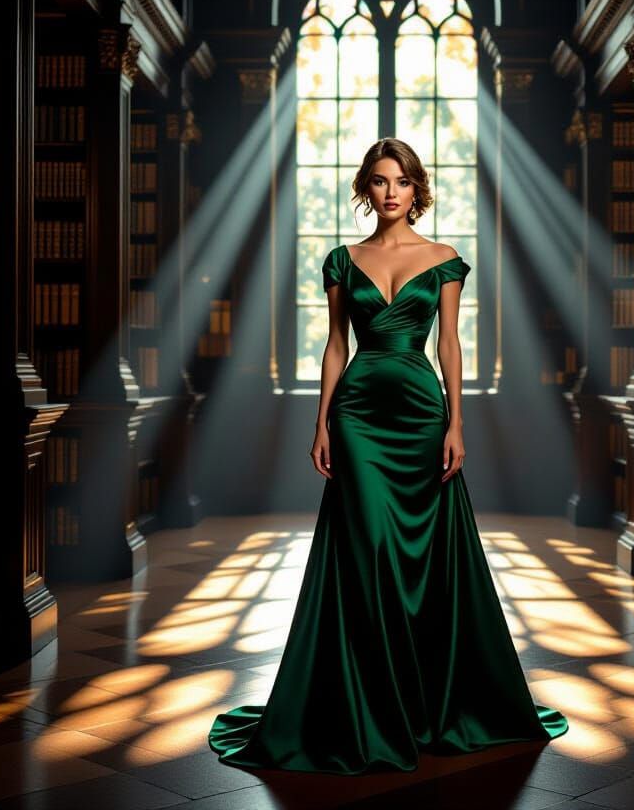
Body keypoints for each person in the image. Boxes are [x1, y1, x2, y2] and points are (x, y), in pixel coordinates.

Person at [208, 138, 568, 774]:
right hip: (358, 417)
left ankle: (424, 698)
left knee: (424, 555)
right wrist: (321, 422)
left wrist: (457, 422)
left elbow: (450, 345)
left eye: (401, 181)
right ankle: (369, 705)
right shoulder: (342, 261)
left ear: (417, 188)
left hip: (423, 413)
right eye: (379, 181)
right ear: (365, 190)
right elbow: (335, 348)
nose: (391, 192)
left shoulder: (445, 259)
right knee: (368, 547)